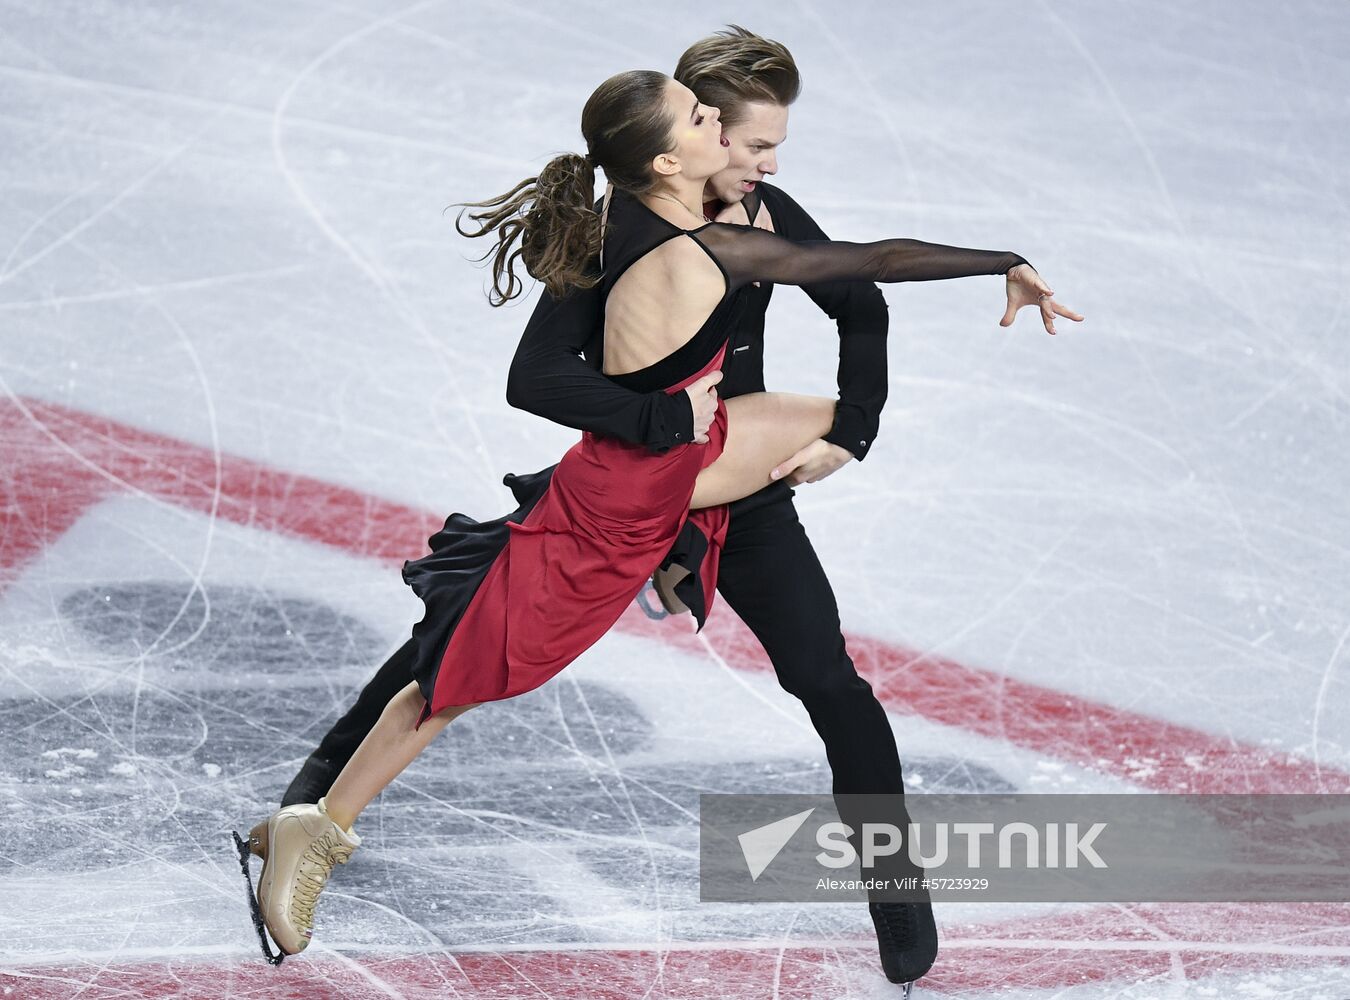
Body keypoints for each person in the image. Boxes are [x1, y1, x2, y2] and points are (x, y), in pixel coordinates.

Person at [241, 60, 1077, 991]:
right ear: (680, 148)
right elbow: (544, 374)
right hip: (634, 485)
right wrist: (662, 421)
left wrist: (854, 427)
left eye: (763, 144)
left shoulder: (742, 217)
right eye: (734, 134)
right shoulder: (662, 237)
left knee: (827, 679)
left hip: (717, 469)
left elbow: (860, 290)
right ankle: (315, 807)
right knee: (460, 649)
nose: (754, 156)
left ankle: (895, 882)